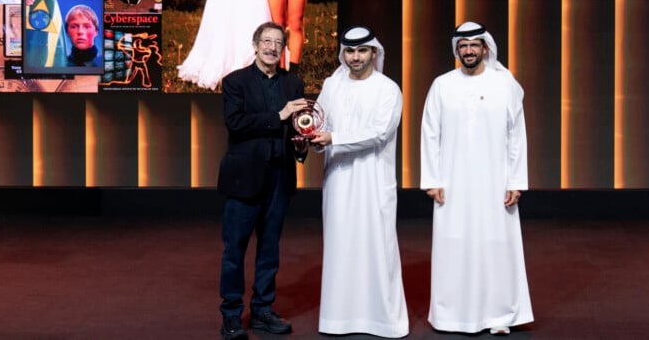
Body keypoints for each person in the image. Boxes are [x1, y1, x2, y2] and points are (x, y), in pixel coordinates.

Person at [420, 21, 534, 336]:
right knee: (453, 245)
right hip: (453, 184)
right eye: (463, 45)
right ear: (456, 50)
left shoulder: (505, 84)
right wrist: (432, 178)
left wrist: (515, 181)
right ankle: (452, 316)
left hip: (496, 182)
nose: (468, 50)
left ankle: (499, 315)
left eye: (474, 45)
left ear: (485, 48)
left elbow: (517, 136)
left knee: (497, 245)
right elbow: (430, 133)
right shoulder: (442, 84)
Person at [311, 25, 409, 337]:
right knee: (340, 246)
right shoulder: (332, 85)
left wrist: (333, 137)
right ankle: (338, 319)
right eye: (350, 51)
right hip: (338, 180)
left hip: (373, 180)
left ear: (373, 53)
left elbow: (380, 133)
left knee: (377, 248)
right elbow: (320, 122)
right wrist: (311, 139)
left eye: (362, 51)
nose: (355, 57)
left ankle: (384, 321)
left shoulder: (388, 89)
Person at [217, 21, 308, 340]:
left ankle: (262, 310)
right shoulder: (234, 82)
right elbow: (236, 123)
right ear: (255, 45)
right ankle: (230, 315)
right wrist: (278, 116)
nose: (272, 47)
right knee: (235, 250)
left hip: (279, 178)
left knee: (270, 249)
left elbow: (296, 127)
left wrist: (306, 139)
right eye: (266, 41)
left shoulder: (293, 83)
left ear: (284, 49)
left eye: (278, 43)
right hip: (244, 180)